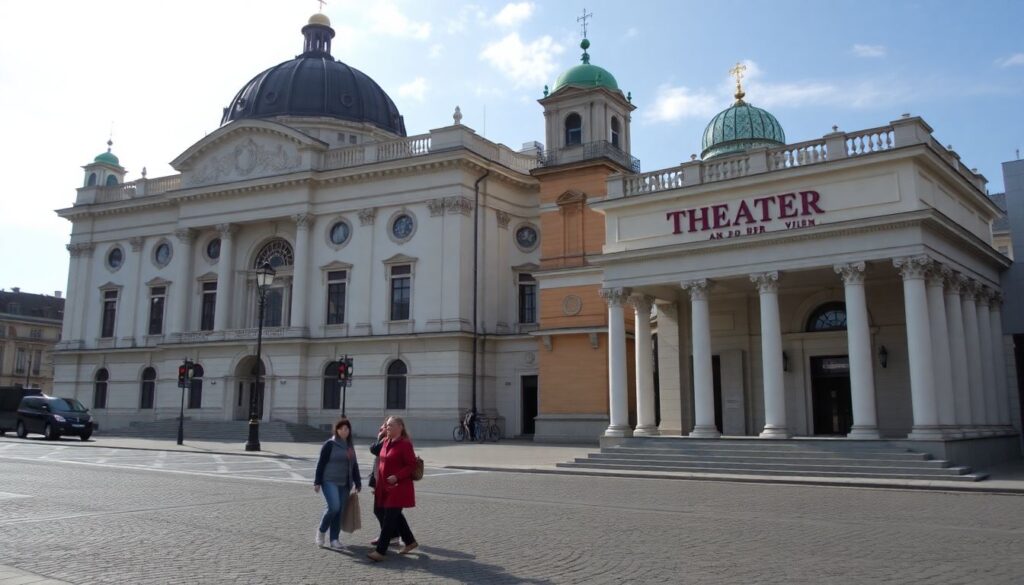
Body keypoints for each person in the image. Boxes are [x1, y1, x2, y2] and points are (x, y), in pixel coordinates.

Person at [366, 416, 418, 562]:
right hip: (384, 487)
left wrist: (397, 476)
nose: (388, 428)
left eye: (391, 426)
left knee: (389, 520)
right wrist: (378, 486)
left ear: (400, 427)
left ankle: (380, 551)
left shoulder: (405, 444)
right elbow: (379, 462)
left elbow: (411, 465)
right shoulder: (386, 441)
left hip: (399, 488)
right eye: (387, 426)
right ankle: (410, 542)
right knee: (396, 517)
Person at [314, 418, 361, 550]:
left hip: (345, 482)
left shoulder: (350, 445)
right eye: (342, 429)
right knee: (334, 507)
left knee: (339, 511)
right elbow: (321, 463)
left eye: (347, 429)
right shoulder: (330, 444)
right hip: (329, 480)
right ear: (337, 430)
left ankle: (334, 539)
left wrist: (357, 482)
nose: (345, 431)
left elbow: (354, 465)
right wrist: (317, 482)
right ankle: (322, 530)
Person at [368, 419, 400, 548]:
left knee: (381, 510)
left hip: (385, 480)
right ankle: (394, 535)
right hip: (380, 478)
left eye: (388, 426)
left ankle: (389, 536)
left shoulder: (388, 440)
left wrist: (380, 436)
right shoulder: (386, 439)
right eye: (385, 426)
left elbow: (374, 449)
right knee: (386, 510)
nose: (385, 428)